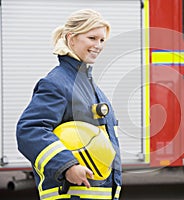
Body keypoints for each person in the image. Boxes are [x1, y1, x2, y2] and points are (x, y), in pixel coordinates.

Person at [16, 9, 122, 200]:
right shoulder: (57, 83)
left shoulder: (89, 86)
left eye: (102, 40)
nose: (98, 45)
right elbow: (30, 130)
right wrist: (67, 165)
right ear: (71, 39)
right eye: (92, 38)